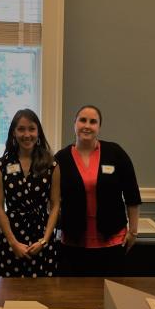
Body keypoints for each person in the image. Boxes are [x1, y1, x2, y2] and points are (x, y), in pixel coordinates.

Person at [55, 105, 141, 276]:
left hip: (112, 241)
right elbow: (53, 201)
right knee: (77, 297)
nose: (87, 125)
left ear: (99, 127)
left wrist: (133, 231)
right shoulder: (61, 158)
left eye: (93, 121)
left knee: (110, 294)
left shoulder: (115, 153)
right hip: (73, 243)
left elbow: (132, 195)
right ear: (75, 124)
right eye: (83, 120)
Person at [0, 109, 60, 277]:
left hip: (42, 235)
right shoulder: (1, 165)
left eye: (31, 129)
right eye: (21, 129)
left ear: (38, 132)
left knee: (44, 293)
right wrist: (13, 243)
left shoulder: (51, 165)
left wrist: (44, 240)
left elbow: (55, 204)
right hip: (12, 235)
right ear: (13, 133)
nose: (27, 134)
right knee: (11, 294)